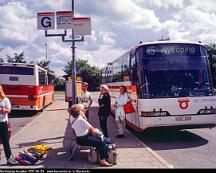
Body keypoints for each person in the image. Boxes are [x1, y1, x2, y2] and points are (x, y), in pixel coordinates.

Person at [0, 85, 18, 165]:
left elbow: (9, 110)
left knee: (5, 142)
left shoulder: (5, 99)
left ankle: (9, 159)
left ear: (1, 90)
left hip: (3, 123)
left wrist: (2, 110)